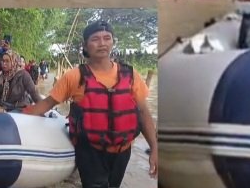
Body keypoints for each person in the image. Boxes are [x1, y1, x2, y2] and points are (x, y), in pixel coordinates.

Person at [24, 21, 158, 187]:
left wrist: (154, 147)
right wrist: (16, 117)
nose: (102, 43)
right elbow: (46, 104)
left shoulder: (131, 75)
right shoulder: (74, 77)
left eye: (107, 38)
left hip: (123, 151)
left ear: (113, 42)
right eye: (95, 39)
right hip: (90, 152)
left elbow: (144, 112)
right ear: (85, 46)